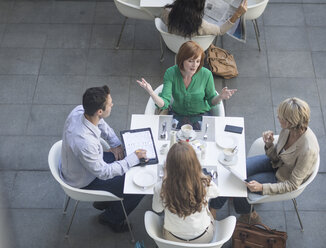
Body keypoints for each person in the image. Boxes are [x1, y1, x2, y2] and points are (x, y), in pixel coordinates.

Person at [209, 97, 319, 223]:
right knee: (236, 170)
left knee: (241, 185)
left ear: (291, 122)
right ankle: (216, 205)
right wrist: (269, 145)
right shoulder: (289, 129)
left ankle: (248, 215)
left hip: (283, 177)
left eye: (281, 117)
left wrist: (262, 187)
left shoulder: (308, 150)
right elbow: (277, 156)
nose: (277, 117)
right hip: (276, 163)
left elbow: (293, 185)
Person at [60, 85, 146, 233]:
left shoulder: (81, 111)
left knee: (126, 161)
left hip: (86, 164)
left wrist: (116, 144)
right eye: (110, 103)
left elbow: (102, 125)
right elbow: (103, 172)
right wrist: (132, 159)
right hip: (85, 179)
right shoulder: (84, 142)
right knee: (138, 187)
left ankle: (104, 202)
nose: (112, 105)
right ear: (100, 111)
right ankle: (111, 218)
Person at [137, 40, 236, 116]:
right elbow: (164, 103)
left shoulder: (206, 74)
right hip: (177, 115)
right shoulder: (171, 73)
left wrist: (221, 96)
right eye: (191, 61)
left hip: (201, 115)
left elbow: (211, 101)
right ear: (182, 60)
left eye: (198, 61)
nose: (195, 65)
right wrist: (151, 92)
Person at [152, 141, 218, 243]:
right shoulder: (204, 184)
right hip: (203, 238)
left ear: (169, 166)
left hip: (173, 240)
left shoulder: (161, 187)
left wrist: (165, 177)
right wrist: (198, 172)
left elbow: (157, 209)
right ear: (195, 164)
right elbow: (217, 192)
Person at [161, 0, 248, 37]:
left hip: (173, 44)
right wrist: (237, 14)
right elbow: (220, 30)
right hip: (195, 49)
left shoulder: (166, 12)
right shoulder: (200, 25)